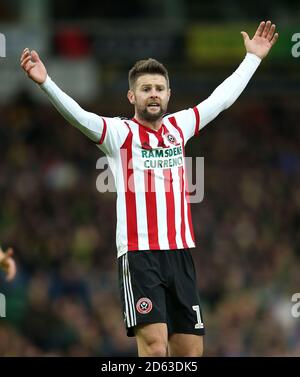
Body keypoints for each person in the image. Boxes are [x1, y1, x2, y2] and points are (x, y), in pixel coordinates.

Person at [20, 21, 278, 357]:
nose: (153, 93)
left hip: (180, 255)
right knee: (156, 348)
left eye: (159, 88)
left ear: (169, 94)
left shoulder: (179, 126)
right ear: (132, 96)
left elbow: (222, 99)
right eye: (145, 89)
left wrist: (252, 59)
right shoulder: (119, 134)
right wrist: (46, 84)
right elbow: (79, 116)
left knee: (189, 352)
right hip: (139, 257)